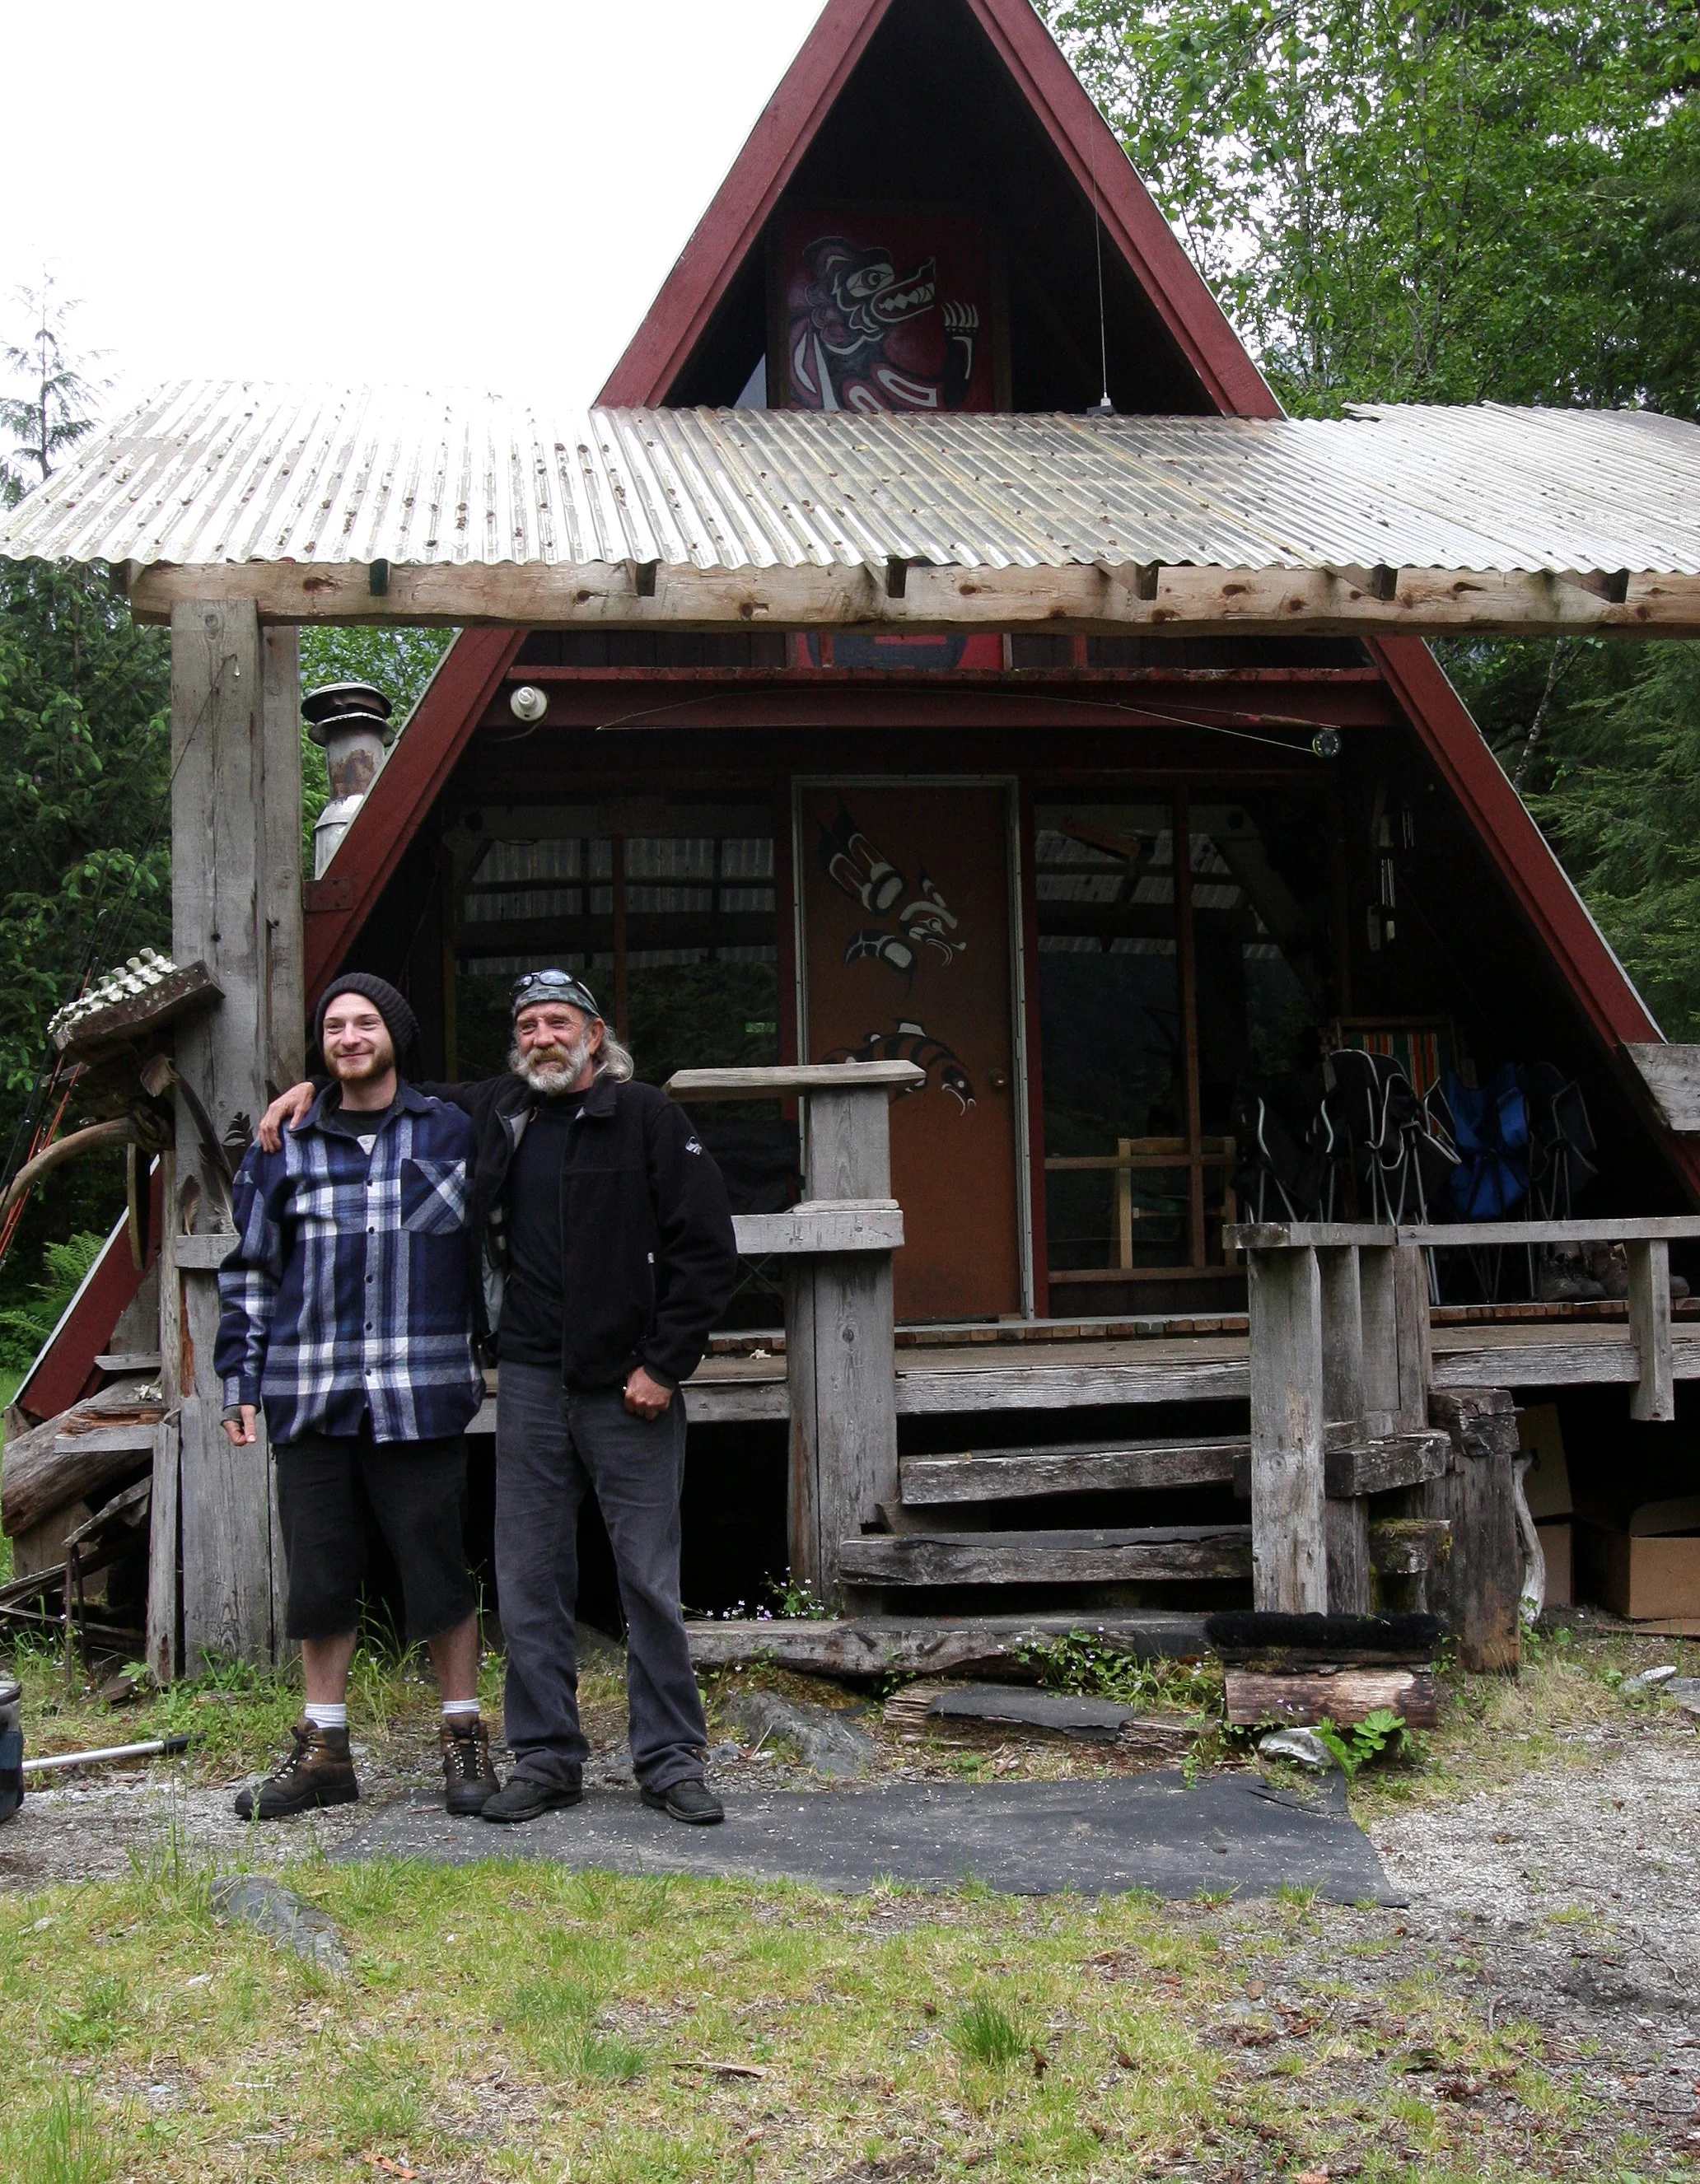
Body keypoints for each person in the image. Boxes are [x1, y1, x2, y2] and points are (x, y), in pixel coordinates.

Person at [260, 968, 739, 1825]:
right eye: (527, 1027)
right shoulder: (502, 1112)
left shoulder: (648, 1118)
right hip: (527, 1379)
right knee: (528, 1580)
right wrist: (311, 1089)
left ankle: (670, 1760)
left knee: (647, 1579)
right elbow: (389, 1085)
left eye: (558, 1023)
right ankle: (547, 1759)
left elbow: (706, 1249)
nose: (542, 1038)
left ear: (595, 1035)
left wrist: (666, 1365)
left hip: (630, 1386)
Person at [217, 973, 497, 1821]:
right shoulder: (283, 1145)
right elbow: (251, 1271)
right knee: (320, 1576)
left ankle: (464, 1735)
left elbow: (533, 1099)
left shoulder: (453, 1130)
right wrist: (240, 1379)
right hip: (311, 1392)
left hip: (421, 1393)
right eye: (334, 1026)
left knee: (439, 1572)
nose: (348, 1037)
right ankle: (324, 1751)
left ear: (395, 1034)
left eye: (365, 1022)